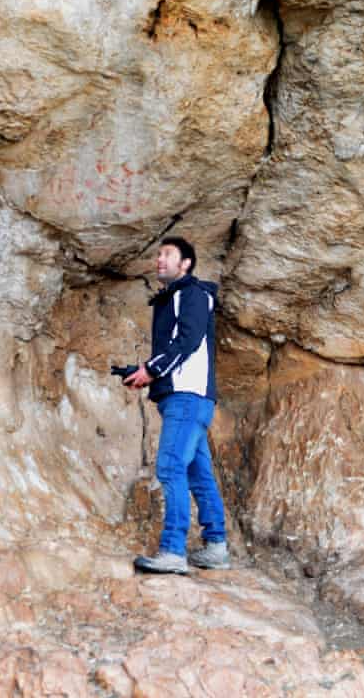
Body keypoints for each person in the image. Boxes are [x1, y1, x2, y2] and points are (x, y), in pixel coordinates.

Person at [124, 236, 230, 574]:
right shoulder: (173, 298)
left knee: (170, 468)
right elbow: (176, 348)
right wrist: (143, 371)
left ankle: (173, 551)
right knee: (199, 474)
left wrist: (151, 370)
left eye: (167, 254)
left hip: (186, 396)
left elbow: (186, 342)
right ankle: (216, 546)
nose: (159, 260)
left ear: (186, 264)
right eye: (158, 254)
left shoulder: (192, 294)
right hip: (187, 396)